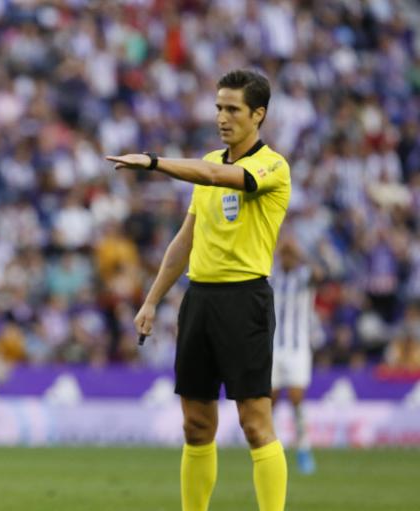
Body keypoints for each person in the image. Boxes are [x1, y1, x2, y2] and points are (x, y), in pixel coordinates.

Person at [107, 69, 290, 511]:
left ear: (258, 114)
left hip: (244, 300)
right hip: (200, 300)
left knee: (254, 422)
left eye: (233, 109)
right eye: (219, 108)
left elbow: (214, 176)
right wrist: (152, 300)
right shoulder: (211, 159)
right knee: (195, 423)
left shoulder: (271, 166)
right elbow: (185, 241)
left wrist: (153, 162)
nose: (222, 117)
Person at [270, 236, 323, 474]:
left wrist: (301, 253)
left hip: (297, 349)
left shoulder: (303, 277)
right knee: (269, 400)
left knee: (296, 398)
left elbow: (319, 274)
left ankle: (303, 448)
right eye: (286, 254)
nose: (288, 258)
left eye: (292, 255)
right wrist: (278, 250)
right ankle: (269, 449)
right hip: (273, 347)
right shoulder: (273, 277)